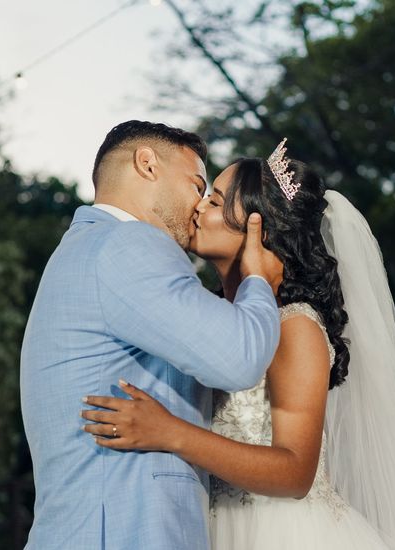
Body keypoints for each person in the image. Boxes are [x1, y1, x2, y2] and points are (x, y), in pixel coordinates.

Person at [81, 142, 395, 549]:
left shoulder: (294, 325)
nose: (197, 207)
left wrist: (169, 432)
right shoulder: (213, 316)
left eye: (213, 200)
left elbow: (295, 472)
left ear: (258, 229)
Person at [20, 121, 284, 550]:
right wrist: (257, 279)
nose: (200, 205)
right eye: (197, 185)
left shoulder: (85, 249)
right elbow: (239, 358)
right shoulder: (129, 244)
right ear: (147, 164)